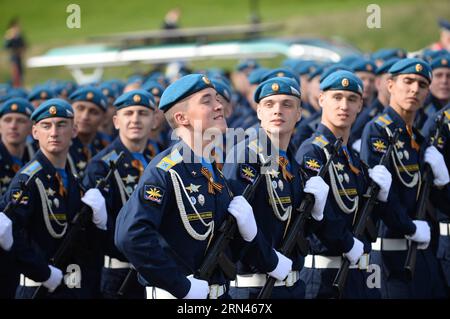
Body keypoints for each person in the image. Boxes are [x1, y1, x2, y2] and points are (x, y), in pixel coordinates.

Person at [115, 74, 265, 299]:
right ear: (182, 117)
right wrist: (179, 286)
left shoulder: (213, 169)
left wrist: (248, 233)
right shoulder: (167, 170)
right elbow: (130, 236)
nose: (218, 106)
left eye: (217, 98)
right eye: (207, 101)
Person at [223, 77, 329, 299]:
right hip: (256, 288)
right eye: (270, 105)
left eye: (287, 104)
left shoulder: (291, 162)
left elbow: (293, 228)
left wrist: (316, 213)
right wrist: (269, 261)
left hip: (292, 285)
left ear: (299, 114)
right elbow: (235, 229)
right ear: (259, 111)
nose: (278, 111)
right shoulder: (247, 156)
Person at [295, 70, 392, 299]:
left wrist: (383, 198)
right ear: (321, 100)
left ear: (360, 105)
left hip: (357, 272)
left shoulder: (351, 158)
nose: (344, 105)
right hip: (325, 274)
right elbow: (320, 214)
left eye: (351, 99)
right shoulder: (313, 151)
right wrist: (348, 243)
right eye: (336, 97)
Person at [0, 98, 108, 299]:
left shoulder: (72, 179)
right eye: (46, 126)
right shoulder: (28, 179)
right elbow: (11, 232)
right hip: (39, 288)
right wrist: (42, 272)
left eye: (61, 125)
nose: (54, 132)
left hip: (72, 286)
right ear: (35, 133)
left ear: (74, 131)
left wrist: (99, 224)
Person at [360, 58, 448, 298]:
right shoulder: (378, 130)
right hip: (392, 257)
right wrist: (408, 227)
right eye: (407, 81)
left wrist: (443, 182)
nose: (414, 89)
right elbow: (379, 198)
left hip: (423, 255)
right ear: (390, 85)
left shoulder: (417, 139)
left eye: (421, 84)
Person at [83, 89, 156, 299]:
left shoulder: (156, 158)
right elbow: (99, 231)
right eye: (128, 113)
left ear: (154, 121)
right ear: (116, 121)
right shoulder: (101, 166)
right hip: (120, 273)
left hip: (155, 270)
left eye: (143, 113)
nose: (135, 119)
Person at [68, 86, 110, 178]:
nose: (85, 116)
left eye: (93, 112)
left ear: (104, 118)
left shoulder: (106, 147)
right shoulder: (60, 147)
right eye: (80, 108)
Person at [0, 97, 34, 195]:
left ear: (32, 128)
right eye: (7, 120)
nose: (13, 126)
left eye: (20, 121)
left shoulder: (35, 156)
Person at [4, 18, 26, 87]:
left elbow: (24, 44)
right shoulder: (10, 34)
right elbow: (6, 46)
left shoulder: (19, 34)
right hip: (13, 55)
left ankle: (20, 85)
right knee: (15, 72)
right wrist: (9, 38)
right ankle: (15, 85)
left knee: (20, 71)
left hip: (19, 55)